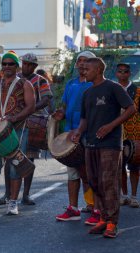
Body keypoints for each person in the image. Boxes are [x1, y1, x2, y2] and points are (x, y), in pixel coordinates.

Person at [71, 57, 135, 238]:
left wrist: (111, 126)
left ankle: (112, 223)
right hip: (90, 143)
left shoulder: (113, 87)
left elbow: (131, 109)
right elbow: (84, 119)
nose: (84, 71)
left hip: (110, 144)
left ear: (98, 70)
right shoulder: (87, 93)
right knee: (94, 181)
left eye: (87, 69)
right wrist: (78, 131)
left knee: (108, 182)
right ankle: (103, 219)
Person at [0, 51, 35, 217]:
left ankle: (13, 203)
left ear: (16, 66)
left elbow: (30, 107)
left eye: (10, 64)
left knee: (15, 169)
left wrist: (14, 118)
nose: (6, 67)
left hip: (17, 130)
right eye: (4, 64)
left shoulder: (25, 84)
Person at [53, 51, 98, 224]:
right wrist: (60, 114)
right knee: (73, 173)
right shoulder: (71, 83)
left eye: (86, 61)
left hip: (89, 133)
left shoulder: (95, 85)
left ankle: (94, 207)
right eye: (79, 60)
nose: (81, 64)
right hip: (70, 133)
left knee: (89, 173)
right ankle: (73, 208)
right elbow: (65, 106)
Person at [17, 53, 52, 205]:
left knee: (29, 158)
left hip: (33, 121)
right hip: (15, 121)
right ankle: (7, 194)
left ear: (35, 66)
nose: (26, 66)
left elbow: (45, 99)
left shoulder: (40, 80)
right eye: (25, 63)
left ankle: (26, 194)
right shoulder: (15, 78)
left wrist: (30, 109)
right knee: (11, 158)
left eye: (30, 64)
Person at [116, 63, 140, 208]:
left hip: (135, 132)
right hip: (117, 132)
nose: (123, 74)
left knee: (135, 166)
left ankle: (134, 196)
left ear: (129, 73)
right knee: (120, 166)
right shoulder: (112, 89)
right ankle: (123, 195)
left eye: (125, 72)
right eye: (120, 72)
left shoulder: (138, 91)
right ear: (117, 73)